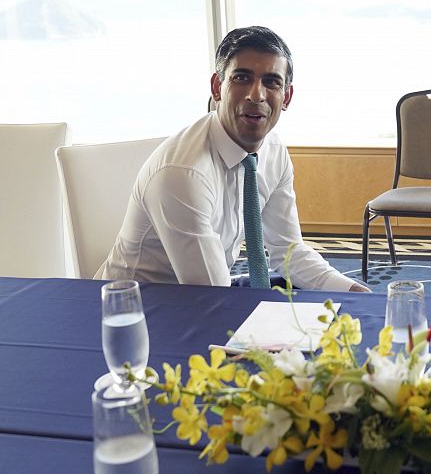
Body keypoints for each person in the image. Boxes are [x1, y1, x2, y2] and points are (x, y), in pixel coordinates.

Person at [97, 26, 368, 292]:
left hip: (203, 296)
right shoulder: (183, 174)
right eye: (242, 78)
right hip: (136, 309)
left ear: (286, 96)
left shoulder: (273, 152)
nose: (256, 95)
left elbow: (288, 252)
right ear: (217, 87)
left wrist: (352, 290)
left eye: (271, 82)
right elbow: (213, 295)